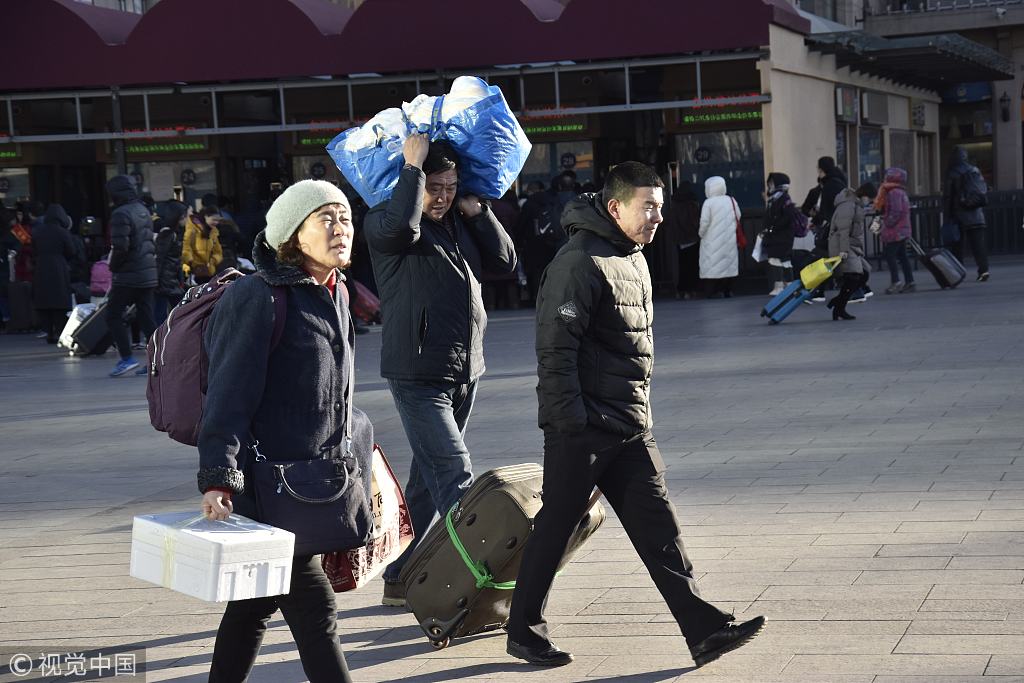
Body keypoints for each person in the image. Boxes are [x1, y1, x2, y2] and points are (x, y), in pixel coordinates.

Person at [505, 161, 763, 668]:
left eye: (660, 208)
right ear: (616, 206)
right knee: (557, 525)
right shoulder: (578, 262)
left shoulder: (633, 255)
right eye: (648, 207)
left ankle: (704, 630)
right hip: (583, 428)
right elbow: (555, 351)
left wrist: (636, 415)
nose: (657, 217)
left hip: (628, 423)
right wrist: (572, 426)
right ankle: (524, 630)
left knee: (658, 526)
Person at [198, 180, 360, 683]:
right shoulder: (259, 297)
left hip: (310, 484)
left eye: (345, 218)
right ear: (293, 234)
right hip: (268, 489)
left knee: (252, 608)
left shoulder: (337, 292)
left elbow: (337, 395)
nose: (341, 230)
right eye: (326, 219)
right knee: (315, 611)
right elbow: (227, 394)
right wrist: (218, 477)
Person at [363, 134, 517, 606]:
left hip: (465, 368)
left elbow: (505, 262)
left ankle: (401, 574)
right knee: (454, 472)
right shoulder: (384, 221)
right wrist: (412, 170)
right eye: (435, 187)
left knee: (426, 478)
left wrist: (479, 212)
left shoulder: (456, 221)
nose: (444, 196)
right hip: (417, 373)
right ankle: (474, 579)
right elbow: (400, 230)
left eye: (451, 186)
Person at [105, 175, 157, 377]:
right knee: (146, 317)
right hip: (148, 272)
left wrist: (113, 266)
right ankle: (158, 359)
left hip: (128, 274)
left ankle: (126, 358)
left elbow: (121, 247)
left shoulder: (120, 214)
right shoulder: (143, 209)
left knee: (113, 314)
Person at [30, 204, 76, 344]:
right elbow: (71, 251)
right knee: (59, 300)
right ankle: (59, 331)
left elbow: (33, 251)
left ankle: (48, 331)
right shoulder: (63, 232)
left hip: (41, 267)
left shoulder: (38, 232)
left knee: (45, 300)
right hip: (58, 267)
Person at [944, 146, 990, 282]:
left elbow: (949, 197)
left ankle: (959, 272)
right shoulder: (974, 170)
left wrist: (948, 215)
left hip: (959, 215)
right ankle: (984, 271)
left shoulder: (953, 173)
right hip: (976, 215)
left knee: (957, 246)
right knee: (978, 246)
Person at [827, 184, 871, 321]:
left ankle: (838, 303)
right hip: (842, 245)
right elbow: (843, 231)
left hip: (851, 246)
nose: (869, 201)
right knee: (853, 277)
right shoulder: (848, 205)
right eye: (869, 198)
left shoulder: (855, 205)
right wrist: (844, 251)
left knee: (864, 273)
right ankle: (839, 308)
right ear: (864, 195)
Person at [872, 169, 915, 294]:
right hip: (903, 229)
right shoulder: (900, 191)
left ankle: (896, 281)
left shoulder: (893, 193)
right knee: (902, 256)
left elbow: (896, 211)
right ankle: (909, 281)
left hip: (896, 230)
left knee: (890, 255)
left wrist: (888, 222)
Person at [698, 176, 739, 298]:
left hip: (711, 241)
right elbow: (738, 216)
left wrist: (701, 234)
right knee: (728, 264)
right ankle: (727, 290)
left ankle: (712, 292)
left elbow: (704, 222)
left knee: (712, 266)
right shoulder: (731, 200)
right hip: (729, 240)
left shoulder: (708, 203)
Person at [661, 181, 701, 299]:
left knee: (682, 265)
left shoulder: (674, 203)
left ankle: (681, 289)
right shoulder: (692, 203)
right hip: (692, 239)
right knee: (692, 265)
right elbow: (694, 222)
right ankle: (691, 289)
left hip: (679, 239)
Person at [762, 172, 797, 296]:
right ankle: (789, 285)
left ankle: (780, 286)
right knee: (783, 260)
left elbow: (787, 217)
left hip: (781, 236)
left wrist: (773, 227)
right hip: (779, 236)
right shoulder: (775, 199)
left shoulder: (782, 199)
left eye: (772, 183)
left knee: (777, 259)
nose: (769, 186)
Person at [153, 201, 188, 325]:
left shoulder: (173, 233)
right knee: (171, 314)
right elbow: (159, 258)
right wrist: (156, 280)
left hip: (169, 280)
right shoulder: (168, 234)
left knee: (171, 313)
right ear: (178, 217)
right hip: (165, 281)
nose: (187, 219)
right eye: (185, 216)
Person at [181, 206, 223, 284]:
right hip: (193, 272)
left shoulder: (213, 232)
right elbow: (186, 247)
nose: (216, 222)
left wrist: (213, 261)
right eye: (214, 219)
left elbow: (218, 252)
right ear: (206, 217)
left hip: (208, 272)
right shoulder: (192, 228)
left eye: (218, 220)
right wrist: (192, 263)